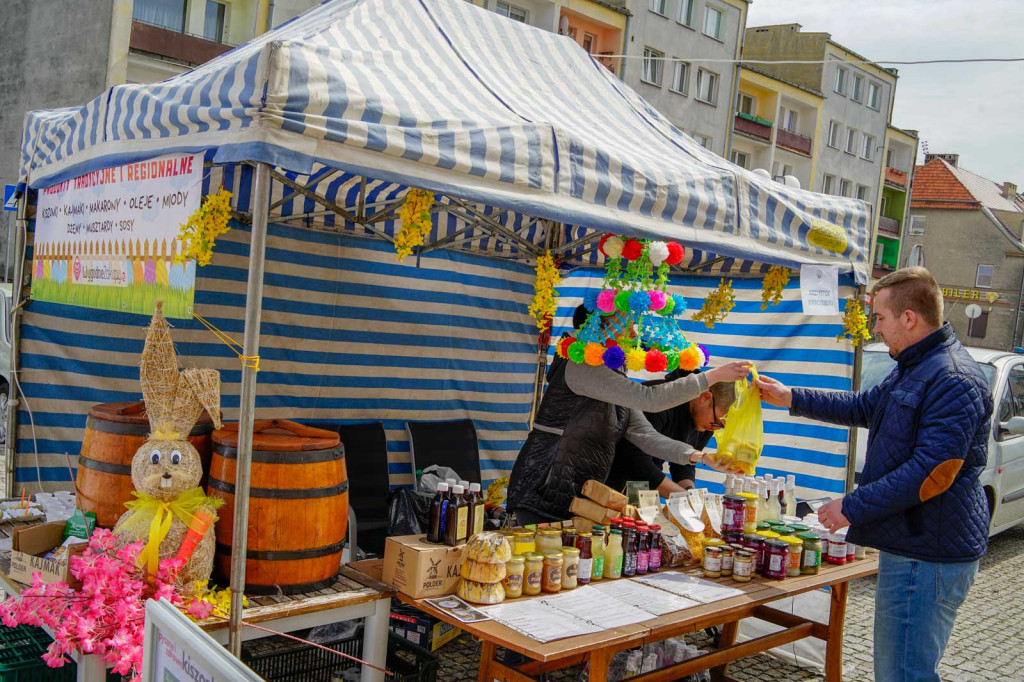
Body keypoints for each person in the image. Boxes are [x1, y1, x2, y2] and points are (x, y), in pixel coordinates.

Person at [756, 267, 991, 682]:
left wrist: (852, 506)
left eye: (879, 318)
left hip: (928, 553)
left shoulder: (951, 376)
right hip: (917, 545)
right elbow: (864, 406)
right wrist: (789, 397)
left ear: (909, 318)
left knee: (904, 674)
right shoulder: (916, 365)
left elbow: (932, 473)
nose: (874, 328)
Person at [508, 305, 749, 524]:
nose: (634, 335)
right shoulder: (580, 366)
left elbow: (646, 436)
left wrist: (700, 457)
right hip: (543, 487)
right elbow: (649, 399)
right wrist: (712, 377)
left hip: (576, 494)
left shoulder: (614, 380)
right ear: (600, 328)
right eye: (627, 327)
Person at [606, 371, 736, 496]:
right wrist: (682, 496)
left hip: (641, 485)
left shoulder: (705, 422)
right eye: (716, 422)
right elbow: (634, 459)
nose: (715, 429)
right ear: (705, 398)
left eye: (722, 427)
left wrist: (690, 491)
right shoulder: (659, 399)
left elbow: (685, 464)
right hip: (608, 478)